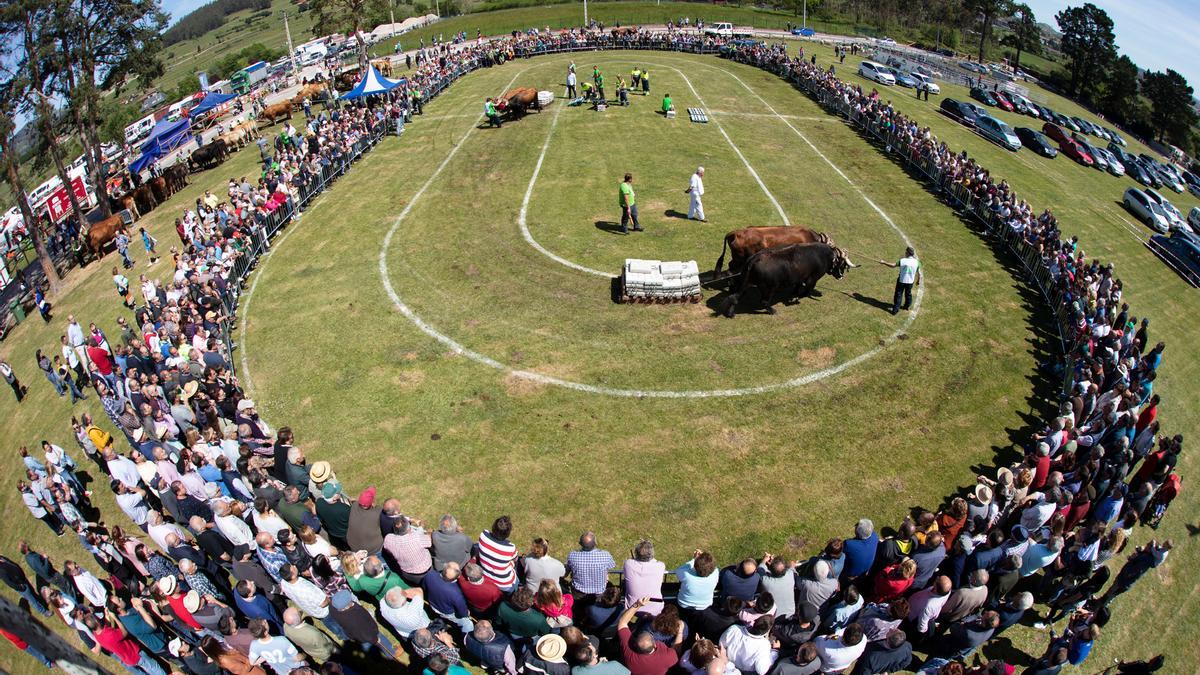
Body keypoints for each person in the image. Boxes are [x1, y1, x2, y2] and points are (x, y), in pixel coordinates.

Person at [878, 247, 920, 315]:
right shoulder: (917, 262)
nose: (905, 253)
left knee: (898, 294)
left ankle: (895, 310)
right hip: (910, 282)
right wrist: (918, 280)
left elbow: (893, 265)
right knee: (908, 294)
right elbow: (919, 273)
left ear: (908, 253)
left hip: (901, 280)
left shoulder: (903, 260)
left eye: (906, 252)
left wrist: (884, 262)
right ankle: (907, 306)